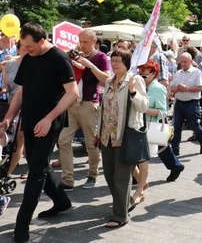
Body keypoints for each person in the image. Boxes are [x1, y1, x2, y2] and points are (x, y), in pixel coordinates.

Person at [0, 24, 79, 243]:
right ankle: (61, 201)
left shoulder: (59, 59)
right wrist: (8, 118)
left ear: (42, 41)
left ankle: (22, 224)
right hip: (30, 120)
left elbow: (73, 93)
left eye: (28, 46)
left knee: (35, 172)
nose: (25, 50)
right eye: (22, 45)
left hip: (49, 123)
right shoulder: (28, 57)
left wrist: (49, 118)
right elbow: (22, 92)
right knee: (37, 163)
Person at [96, 49, 149, 228]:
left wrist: (133, 91)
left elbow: (143, 107)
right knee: (109, 175)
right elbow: (104, 109)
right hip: (106, 135)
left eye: (118, 60)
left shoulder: (135, 80)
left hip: (124, 135)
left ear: (126, 62)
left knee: (122, 177)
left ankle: (120, 215)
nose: (114, 63)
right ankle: (125, 203)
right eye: (113, 60)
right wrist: (98, 131)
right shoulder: (109, 81)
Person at [57, 29, 111, 191]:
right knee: (63, 140)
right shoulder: (75, 55)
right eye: (80, 41)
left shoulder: (100, 57)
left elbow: (107, 80)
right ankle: (67, 180)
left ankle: (92, 175)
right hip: (72, 103)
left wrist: (90, 65)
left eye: (85, 42)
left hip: (89, 103)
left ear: (94, 41)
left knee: (91, 143)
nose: (82, 45)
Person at [169, 53, 202, 156]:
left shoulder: (197, 72)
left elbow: (200, 88)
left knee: (194, 125)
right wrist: (176, 89)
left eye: (185, 62)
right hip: (179, 103)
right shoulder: (178, 73)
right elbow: (171, 88)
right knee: (177, 126)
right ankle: (175, 149)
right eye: (181, 62)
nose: (183, 64)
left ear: (191, 61)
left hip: (192, 102)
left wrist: (187, 89)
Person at [2, 41, 27, 178]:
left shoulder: (34, 65)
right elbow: (7, 86)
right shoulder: (10, 65)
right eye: (23, 48)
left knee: (20, 139)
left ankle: (8, 173)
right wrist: (3, 90)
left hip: (27, 108)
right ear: (18, 50)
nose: (27, 51)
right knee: (10, 140)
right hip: (11, 107)